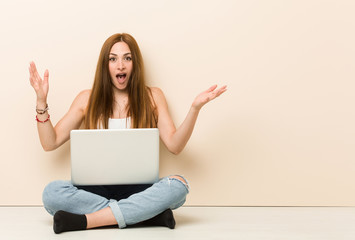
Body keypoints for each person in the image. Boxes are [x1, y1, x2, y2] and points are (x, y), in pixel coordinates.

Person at [29, 33, 227, 234]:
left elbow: (175, 146)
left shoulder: (153, 96)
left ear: (135, 64)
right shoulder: (86, 99)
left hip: (141, 189)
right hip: (95, 190)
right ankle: (145, 215)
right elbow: (49, 142)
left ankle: (87, 221)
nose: (120, 66)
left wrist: (195, 109)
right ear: (105, 65)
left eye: (127, 58)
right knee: (51, 194)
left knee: (179, 186)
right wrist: (40, 102)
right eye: (113, 59)